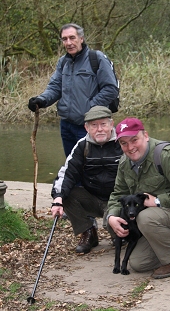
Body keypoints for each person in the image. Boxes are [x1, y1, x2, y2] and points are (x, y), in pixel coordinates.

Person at [106, 118, 170, 279]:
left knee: (145, 218)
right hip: (159, 218)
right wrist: (111, 217)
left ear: (145, 135)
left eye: (134, 140)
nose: (130, 147)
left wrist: (158, 201)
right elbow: (118, 194)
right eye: (124, 143)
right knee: (139, 264)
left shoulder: (167, 155)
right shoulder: (125, 162)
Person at [28, 23, 119, 157]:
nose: (69, 42)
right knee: (72, 166)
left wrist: (90, 108)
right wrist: (41, 100)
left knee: (92, 166)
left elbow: (111, 89)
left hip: (91, 126)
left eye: (72, 38)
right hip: (66, 125)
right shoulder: (63, 62)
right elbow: (55, 87)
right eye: (65, 39)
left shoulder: (97, 59)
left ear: (81, 38)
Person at [50, 106, 123, 254]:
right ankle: (88, 232)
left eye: (103, 124)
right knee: (67, 194)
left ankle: (119, 233)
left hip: (118, 199)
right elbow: (67, 174)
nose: (99, 129)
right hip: (92, 197)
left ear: (111, 124)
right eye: (94, 125)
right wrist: (57, 199)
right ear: (86, 127)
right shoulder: (82, 145)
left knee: (120, 234)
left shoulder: (123, 143)